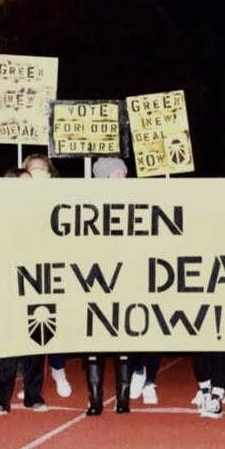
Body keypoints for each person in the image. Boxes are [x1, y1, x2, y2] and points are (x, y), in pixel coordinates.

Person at [0, 167, 50, 416]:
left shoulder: (40, 211)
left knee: (36, 340)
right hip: (6, 283)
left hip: (36, 283)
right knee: (6, 344)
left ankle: (33, 396)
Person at [16, 154, 73, 400]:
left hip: (56, 270)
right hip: (26, 272)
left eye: (42, 169)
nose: (38, 173)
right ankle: (30, 382)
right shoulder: (16, 203)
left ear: (49, 175)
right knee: (29, 327)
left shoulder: (62, 200)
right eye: (32, 170)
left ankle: (58, 369)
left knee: (56, 323)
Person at [84, 157, 132, 415]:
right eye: (115, 175)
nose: (121, 179)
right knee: (93, 341)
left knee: (123, 339)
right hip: (94, 280)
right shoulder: (88, 204)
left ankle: (123, 398)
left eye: (123, 174)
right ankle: (95, 399)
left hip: (125, 280)